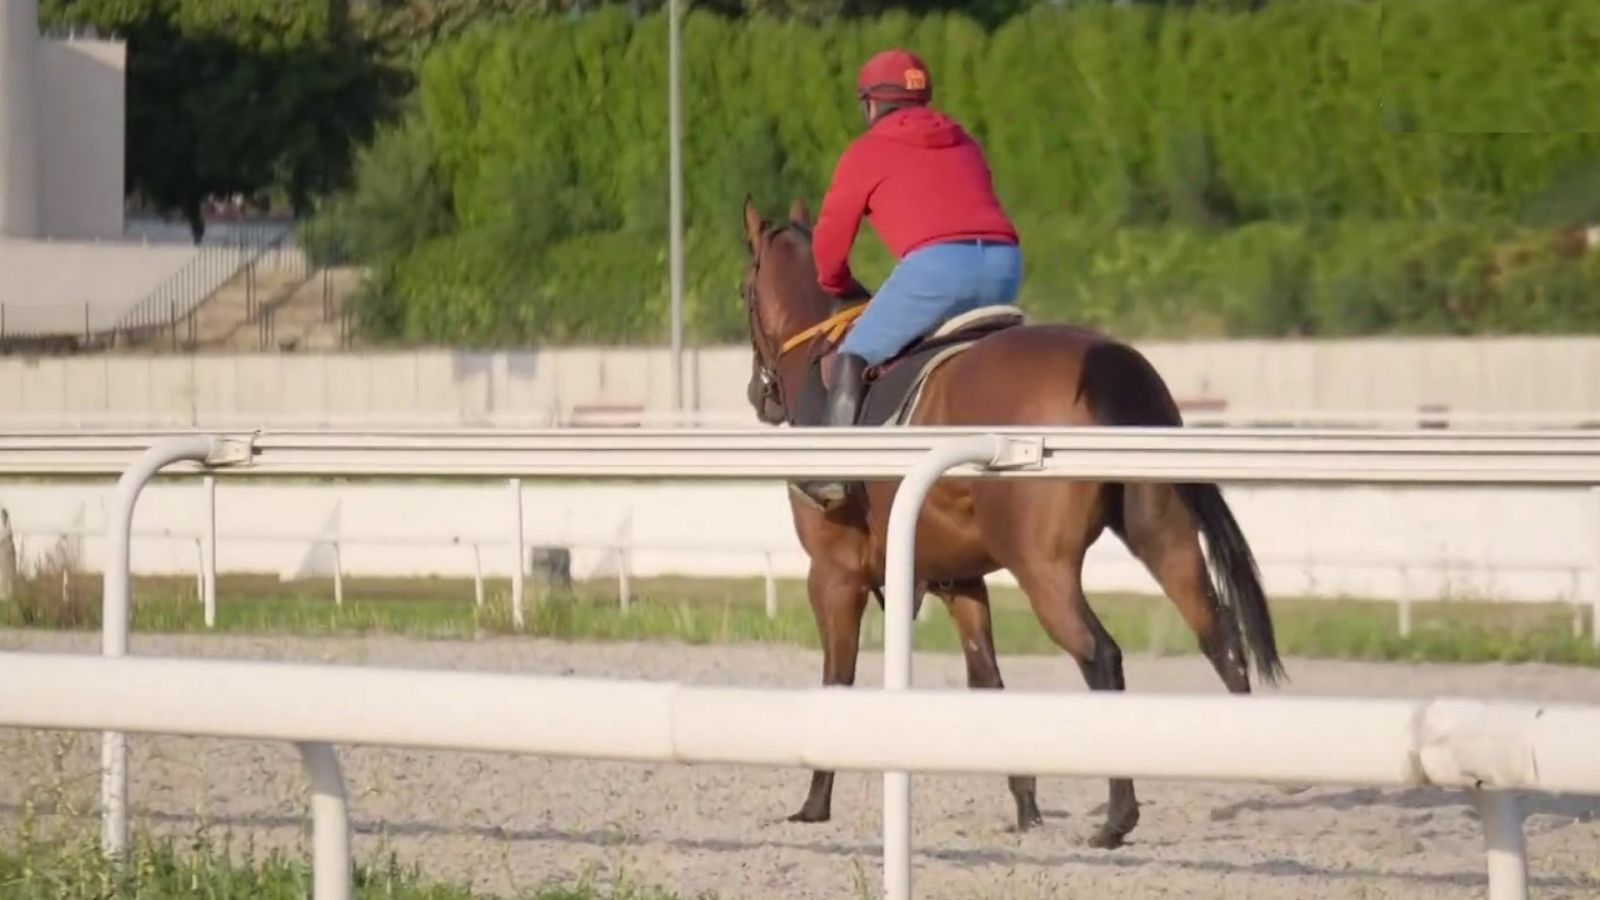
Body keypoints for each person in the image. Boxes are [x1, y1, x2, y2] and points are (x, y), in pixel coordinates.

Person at [798, 48, 1023, 509]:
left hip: (937, 270)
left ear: (871, 104)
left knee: (853, 353)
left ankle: (835, 476)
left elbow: (829, 245)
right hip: (1005, 264)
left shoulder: (867, 151)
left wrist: (837, 285)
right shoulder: (964, 140)